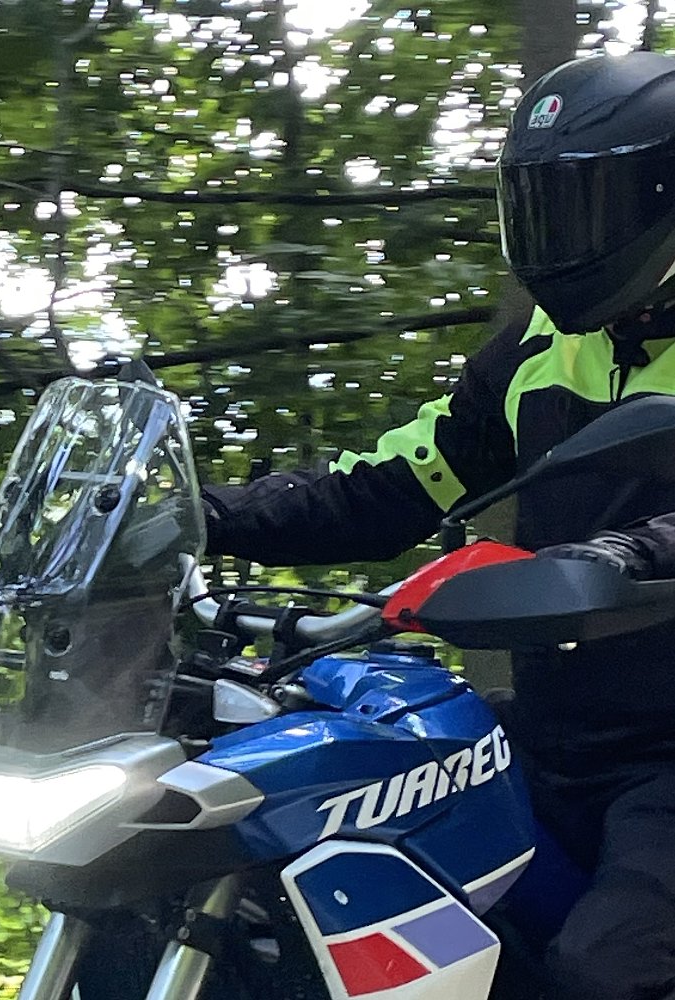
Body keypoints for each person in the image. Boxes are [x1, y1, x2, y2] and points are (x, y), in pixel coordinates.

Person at [203, 51, 675, 1000]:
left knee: (605, 971)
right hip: (552, 735)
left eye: (588, 207)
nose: (560, 237)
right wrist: (197, 512)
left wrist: (626, 553)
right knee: (337, 858)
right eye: (542, 207)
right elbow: (393, 484)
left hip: (667, 758)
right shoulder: (542, 350)